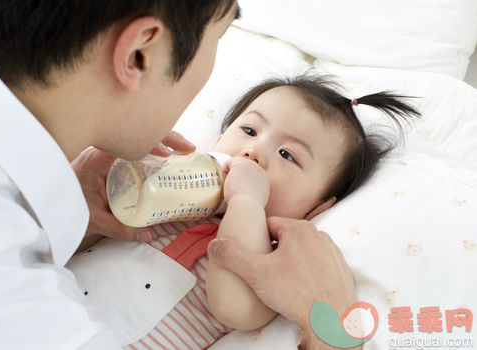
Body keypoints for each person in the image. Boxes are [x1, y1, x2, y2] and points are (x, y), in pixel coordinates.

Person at [0, 1, 239, 349]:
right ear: (139, 54)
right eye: (219, 38)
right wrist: (330, 321)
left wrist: (59, 209)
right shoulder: (22, 307)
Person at [124, 75, 419, 349]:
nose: (253, 151)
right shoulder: (167, 195)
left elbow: (234, 307)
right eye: (249, 130)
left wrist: (245, 202)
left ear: (315, 209)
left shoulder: (268, 259)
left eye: (287, 155)